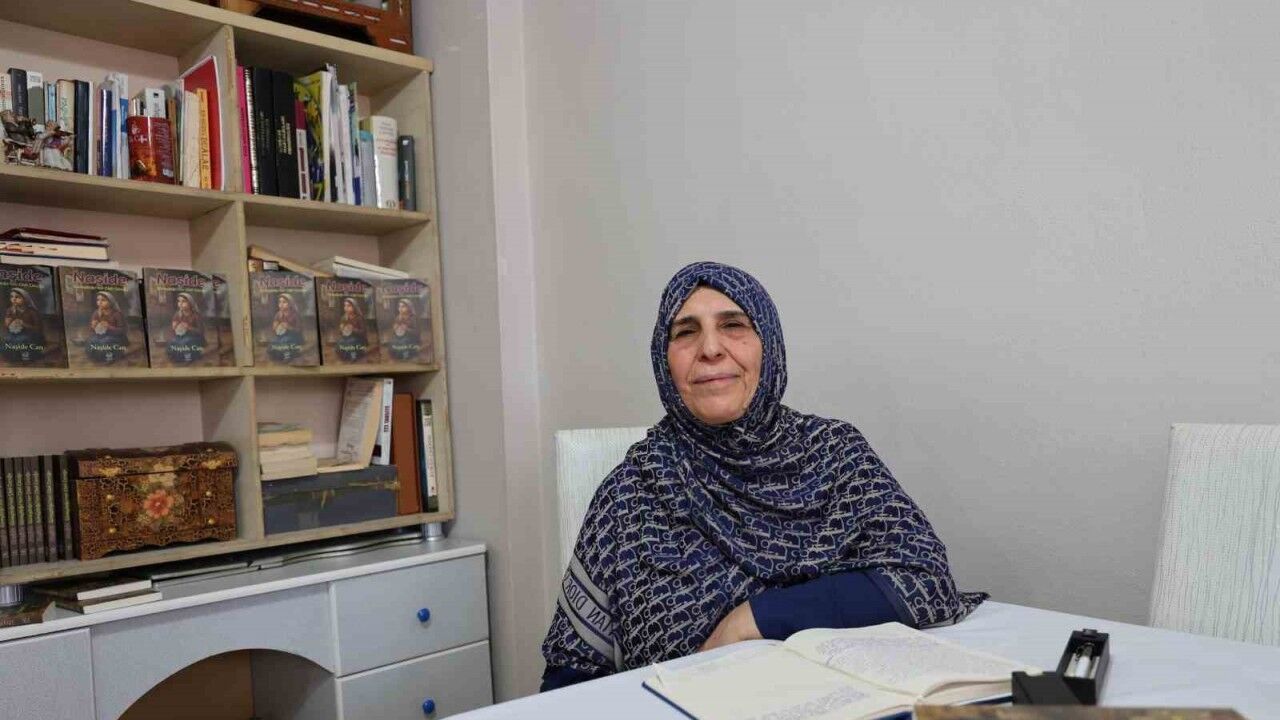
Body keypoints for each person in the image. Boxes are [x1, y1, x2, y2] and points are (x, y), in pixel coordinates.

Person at [540, 261, 985, 691]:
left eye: (733, 325)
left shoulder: (833, 452)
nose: (710, 349)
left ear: (768, 345)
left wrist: (752, 619)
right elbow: (571, 674)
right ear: (663, 360)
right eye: (686, 332)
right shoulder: (632, 491)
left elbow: (925, 578)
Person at [166, 291, 206, 363]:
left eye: (184, 301)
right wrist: (175, 326)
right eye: (179, 301)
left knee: (185, 343)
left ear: (190, 303)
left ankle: (188, 357)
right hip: (182, 336)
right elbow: (174, 328)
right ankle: (176, 357)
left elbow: (200, 331)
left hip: (194, 337)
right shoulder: (178, 314)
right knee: (172, 341)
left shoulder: (196, 315)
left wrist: (188, 327)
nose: (180, 304)